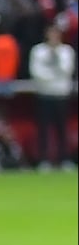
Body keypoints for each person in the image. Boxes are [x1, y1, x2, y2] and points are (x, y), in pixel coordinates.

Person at [28, 24, 77, 171]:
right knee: (43, 129)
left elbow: (67, 70)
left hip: (61, 94)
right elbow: (36, 72)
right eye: (51, 33)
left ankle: (64, 159)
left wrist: (54, 61)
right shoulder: (38, 51)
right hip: (44, 94)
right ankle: (44, 160)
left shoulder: (66, 51)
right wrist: (53, 76)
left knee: (62, 129)